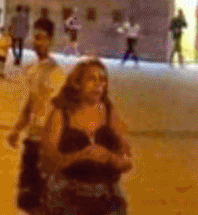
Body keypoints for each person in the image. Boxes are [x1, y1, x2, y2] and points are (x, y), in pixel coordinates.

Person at [39, 57, 132, 214]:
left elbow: (127, 160)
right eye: (91, 79)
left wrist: (110, 157)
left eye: (102, 80)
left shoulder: (108, 112)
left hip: (107, 197)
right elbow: (46, 162)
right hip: (68, 197)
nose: (98, 85)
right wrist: (80, 156)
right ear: (77, 83)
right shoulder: (61, 115)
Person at [8, 18, 66, 215]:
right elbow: (30, 103)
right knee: (27, 199)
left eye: (41, 38)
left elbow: (63, 110)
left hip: (47, 144)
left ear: (50, 41)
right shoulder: (32, 70)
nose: (36, 42)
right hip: (31, 142)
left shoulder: (58, 74)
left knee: (44, 199)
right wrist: (17, 129)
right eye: (35, 37)